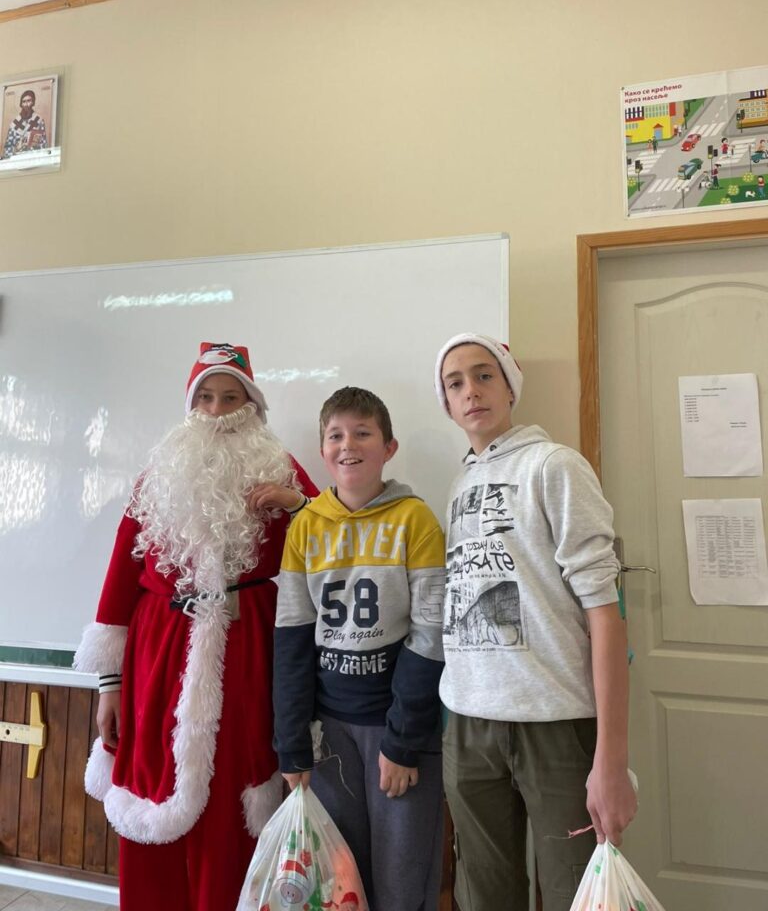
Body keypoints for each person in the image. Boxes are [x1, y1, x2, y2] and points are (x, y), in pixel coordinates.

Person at [73, 342, 317, 911]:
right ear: (191, 405)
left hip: (248, 653)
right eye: (205, 397)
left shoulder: (281, 470)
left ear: (252, 407)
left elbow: (332, 539)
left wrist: (297, 504)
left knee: (235, 794)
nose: (217, 410)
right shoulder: (157, 475)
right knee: (152, 793)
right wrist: (109, 684)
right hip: (157, 658)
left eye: (231, 398)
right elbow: (120, 578)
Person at [433, 333, 637, 911]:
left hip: (555, 722)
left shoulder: (554, 465)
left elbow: (605, 612)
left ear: (510, 387)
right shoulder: (459, 484)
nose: (471, 391)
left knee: (580, 892)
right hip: (468, 723)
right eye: (455, 383)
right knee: (484, 894)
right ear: (446, 403)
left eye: (484, 375)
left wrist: (612, 760)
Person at [273, 386, 446, 911]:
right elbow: (292, 640)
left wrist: (403, 741)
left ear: (389, 447)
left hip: (396, 730)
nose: (348, 445)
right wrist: (291, 743)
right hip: (330, 734)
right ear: (322, 451)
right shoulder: (305, 527)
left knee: (401, 880)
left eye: (363, 433)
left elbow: (430, 635)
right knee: (340, 881)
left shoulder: (416, 520)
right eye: (336, 435)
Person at [2, 88, 48, 158]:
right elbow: (7, 148)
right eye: (24, 101)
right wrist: (16, 148)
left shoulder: (39, 120)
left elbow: (43, 144)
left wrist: (33, 147)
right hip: (17, 159)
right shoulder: (14, 124)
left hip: (33, 158)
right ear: (21, 104)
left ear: (33, 102)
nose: (26, 104)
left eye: (29, 101)